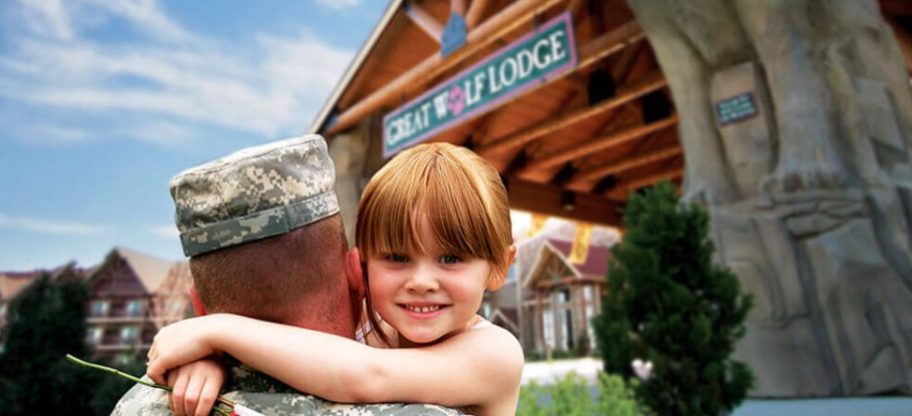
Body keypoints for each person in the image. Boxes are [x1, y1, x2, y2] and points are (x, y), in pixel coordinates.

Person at [145, 142, 524, 416]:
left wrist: (217, 331)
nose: (421, 280)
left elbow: (364, 376)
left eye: (450, 258)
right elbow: (292, 351)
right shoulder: (372, 328)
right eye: (396, 257)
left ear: (499, 266)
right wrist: (213, 363)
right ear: (361, 268)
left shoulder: (494, 354)